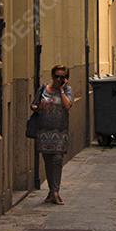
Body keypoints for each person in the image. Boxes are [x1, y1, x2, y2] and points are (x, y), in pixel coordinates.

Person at [30, 65, 74, 205]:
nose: (59, 79)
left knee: (57, 159)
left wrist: (61, 90)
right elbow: (34, 105)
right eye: (57, 76)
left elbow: (67, 106)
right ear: (52, 76)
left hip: (59, 131)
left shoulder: (67, 90)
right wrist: (37, 108)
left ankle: (55, 191)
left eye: (62, 77)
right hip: (44, 131)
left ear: (66, 78)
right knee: (48, 161)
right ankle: (51, 191)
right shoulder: (43, 89)